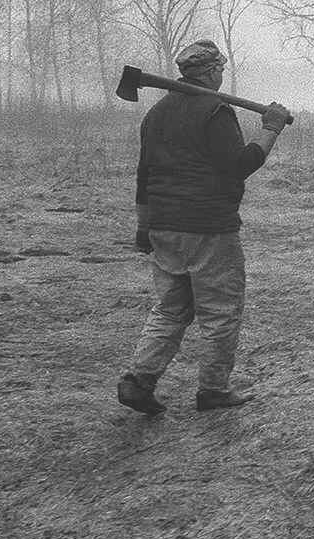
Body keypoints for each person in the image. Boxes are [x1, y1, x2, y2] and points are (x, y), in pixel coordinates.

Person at [117, 40, 292, 414]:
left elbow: (143, 176)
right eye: (221, 69)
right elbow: (240, 164)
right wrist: (271, 129)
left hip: (164, 228)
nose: (222, 74)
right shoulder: (215, 112)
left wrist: (143, 228)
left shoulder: (157, 114)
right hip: (209, 229)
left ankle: (138, 380)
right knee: (220, 311)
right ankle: (213, 390)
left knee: (170, 309)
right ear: (212, 72)